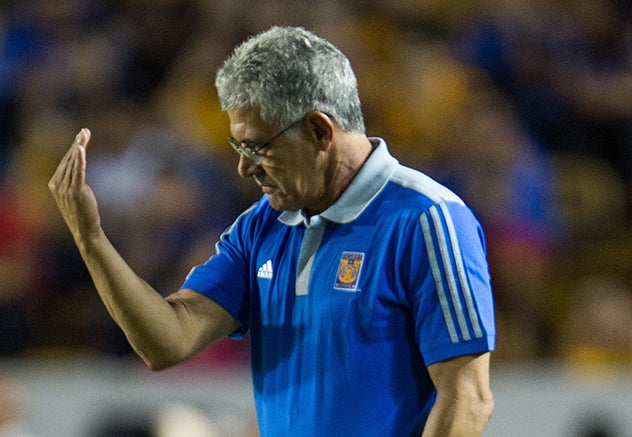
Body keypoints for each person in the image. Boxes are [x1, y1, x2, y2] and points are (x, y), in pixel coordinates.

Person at [49, 26, 495, 436]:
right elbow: (168, 340)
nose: (244, 167)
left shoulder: (427, 220)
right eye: (237, 146)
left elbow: (467, 399)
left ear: (320, 131)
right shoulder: (262, 226)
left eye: (259, 147)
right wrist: (92, 241)